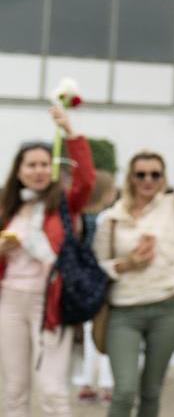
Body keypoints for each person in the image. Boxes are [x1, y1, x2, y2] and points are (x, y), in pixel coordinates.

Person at [94, 108, 174, 417]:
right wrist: (127, 263)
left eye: (155, 174)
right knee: (124, 390)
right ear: (130, 177)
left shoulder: (173, 208)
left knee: (152, 391)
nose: (148, 180)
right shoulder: (112, 218)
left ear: (163, 178)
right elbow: (99, 265)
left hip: (165, 308)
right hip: (124, 311)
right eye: (140, 174)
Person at [0, 106, 94, 417]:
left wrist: (70, 132)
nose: (39, 170)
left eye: (44, 164)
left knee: (52, 389)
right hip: (10, 301)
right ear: (19, 170)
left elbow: (86, 181)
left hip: (49, 302)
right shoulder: (8, 209)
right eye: (31, 165)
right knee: (14, 390)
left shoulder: (63, 204)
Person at [73, 170, 118, 405]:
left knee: (92, 336)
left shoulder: (81, 218)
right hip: (105, 284)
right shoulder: (107, 217)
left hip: (86, 286)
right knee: (108, 335)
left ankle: (87, 383)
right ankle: (108, 385)